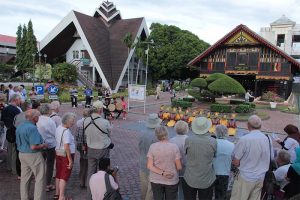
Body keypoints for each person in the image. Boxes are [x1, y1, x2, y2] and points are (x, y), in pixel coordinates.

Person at [231, 115, 273, 200]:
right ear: (260, 126)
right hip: (260, 177)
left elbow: (236, 162)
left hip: (245, 176)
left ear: (248, 125)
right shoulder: (267, 138)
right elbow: (270, 157)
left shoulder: (244, 139)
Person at [16, 109, 48, 200]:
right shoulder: (32, 128)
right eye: (38, 116)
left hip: (22, 154)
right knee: (40, 178)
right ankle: (39, 198)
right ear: (35, 118)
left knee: (25, 179)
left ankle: (24, 197)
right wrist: (44, 145)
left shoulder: (20, 126)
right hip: (33, 155)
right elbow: (34, 147)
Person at [83, 100, 112, 200]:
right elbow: (109, 133)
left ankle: (89, 195)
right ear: (100, 110)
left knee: (90, 172)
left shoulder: (86, 120)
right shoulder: (104, 122)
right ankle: (103, 194)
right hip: (102, 149)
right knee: (103, 172)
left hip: (91, 149)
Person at [183, 117, 217, 200]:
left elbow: (186, 153)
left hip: (190, 177)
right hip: (206, 178)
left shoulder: (188, 140)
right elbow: (214, 155)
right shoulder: (213, 141)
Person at [147, 126, 182, 200]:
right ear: (167, 133)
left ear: (157, 135)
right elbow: (179, 167)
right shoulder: (174, 147)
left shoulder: (152, 146)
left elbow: (149, 166)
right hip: (171, 179)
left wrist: (163, 173)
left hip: (156, 179)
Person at [54, 112, 76, 200]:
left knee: (59, 174)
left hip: (58, 153)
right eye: (72, 121)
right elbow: (66, 146)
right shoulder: (66, 131)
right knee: (64, 176)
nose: (73, 123)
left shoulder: (59, 127)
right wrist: (70, 160)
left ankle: (57, 194)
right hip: (65, 155)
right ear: (67, 121)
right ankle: (62, 196)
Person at [139, 113, 161, 200]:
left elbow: (140, 147)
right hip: (153, 165)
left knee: (144, 187)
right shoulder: (157, 135)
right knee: (151, 189)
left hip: (143, 161)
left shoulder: (142, 133)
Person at [36, 104, 57, 192]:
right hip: (50, 145)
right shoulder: (50, 121)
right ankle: (47, 184)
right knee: (49, 165)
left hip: (39, 144)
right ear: (48, 111)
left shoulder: (37, 119)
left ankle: (40, 183)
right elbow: (54, 133)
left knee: (40, 165)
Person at [1, 94, 22, 176]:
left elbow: (2, 120)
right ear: (16, 100)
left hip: (7, 130)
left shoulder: (5, 109)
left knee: (9, 150)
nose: (20, 101)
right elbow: (20, 122)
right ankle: (14, 169)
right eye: (19, 100)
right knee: (14, 151)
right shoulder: (16, 110)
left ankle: (9, 166)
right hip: (14, 131)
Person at [213, 125, 234, 200]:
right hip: (224, 173)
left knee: (207, 195)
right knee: (221, 196)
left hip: (211, 173)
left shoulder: (212, 143)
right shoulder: (232, 145)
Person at [170, 120, 189, 200]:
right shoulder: (189, 140)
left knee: (174, 191)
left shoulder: (171, 140)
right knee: (185, 191)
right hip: (187, 169)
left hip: (174, 169)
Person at [75, 108, 90, 188]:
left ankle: (81, 177)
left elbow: (77, 136)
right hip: (86, 145)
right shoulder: (89, 122)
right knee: (87, 163)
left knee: (82, 161)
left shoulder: (79, 122)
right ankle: (84, 181)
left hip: (80, 145)